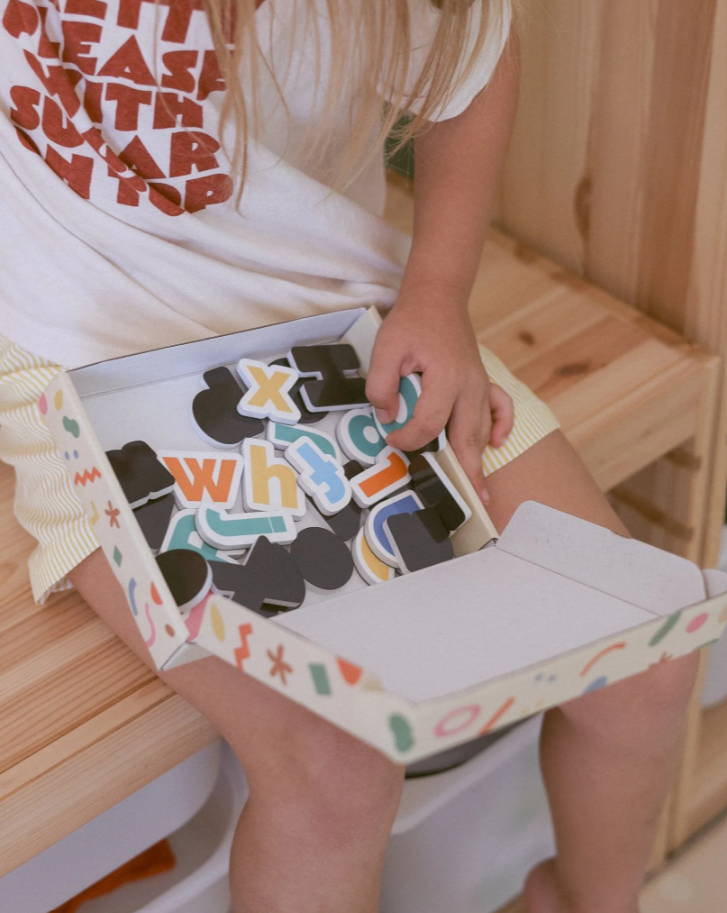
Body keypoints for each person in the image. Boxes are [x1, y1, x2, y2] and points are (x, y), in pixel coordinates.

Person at [0, 1, 699, 911]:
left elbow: (474, 61)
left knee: (647, 656)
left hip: (337, 311)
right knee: (334, 768)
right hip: (76, 345)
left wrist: (439, 292)